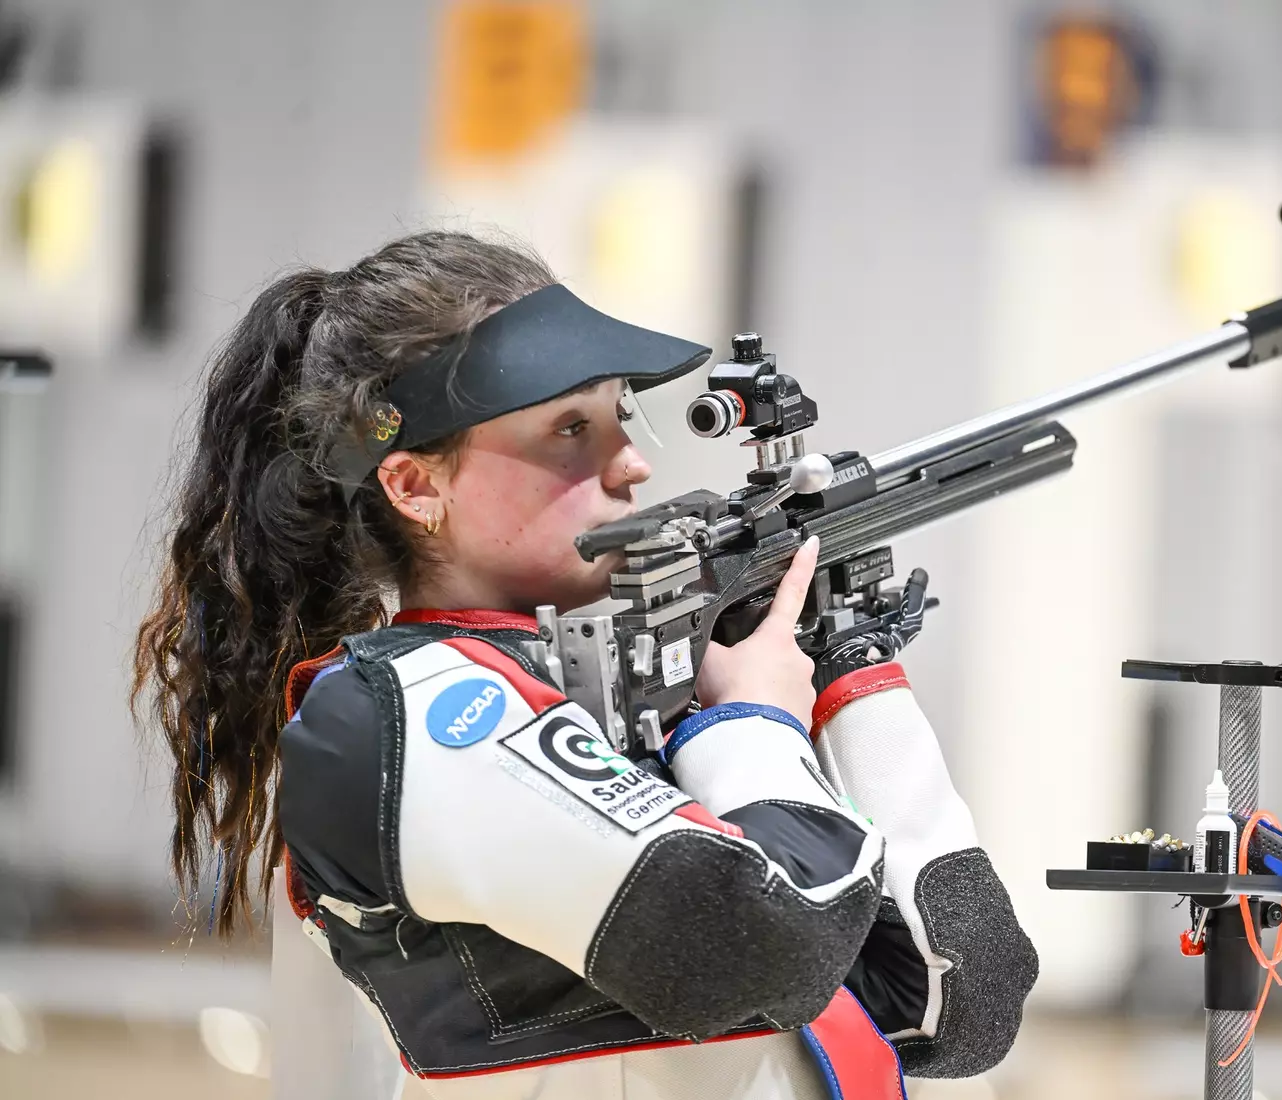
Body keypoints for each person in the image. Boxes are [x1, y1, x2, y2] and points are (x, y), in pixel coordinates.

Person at [131, 232, 1038, 1099]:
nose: (633, 463)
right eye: (571, 428)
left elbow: (961, 1004)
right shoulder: (402, 708)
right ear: (414, 485)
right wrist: (752, 725)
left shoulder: (614, 694)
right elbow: (760, 948)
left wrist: (852, 670)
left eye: (620, 415)